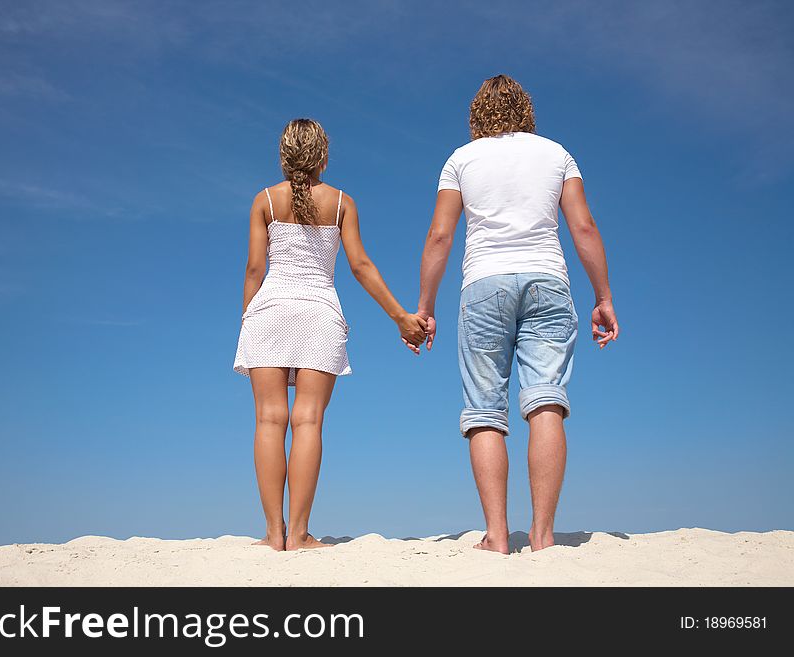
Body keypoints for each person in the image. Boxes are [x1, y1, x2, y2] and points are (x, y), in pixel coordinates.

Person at [412, 75, 619, 553]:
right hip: (548, 280)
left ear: (477, 113)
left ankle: (498, 536)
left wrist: (425, 306)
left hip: (484, 284)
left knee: (485, 410)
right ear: (526, 109)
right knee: (546, 400)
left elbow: (440, 236)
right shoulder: (557, 154)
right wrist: (602, 295)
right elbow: (583, 226)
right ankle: (543, 536)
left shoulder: (460, 160)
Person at [234, 118, 427, 551]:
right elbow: (360, 267)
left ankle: (273, 534)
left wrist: (248, 319)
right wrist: (399, 316)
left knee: (268, 420)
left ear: (284, 155)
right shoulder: (343, 203)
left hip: (269, 311)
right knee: (308, 421)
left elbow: (253, 269)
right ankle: (300, 534)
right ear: (323, 156)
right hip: (319, 314)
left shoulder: (264, 200)